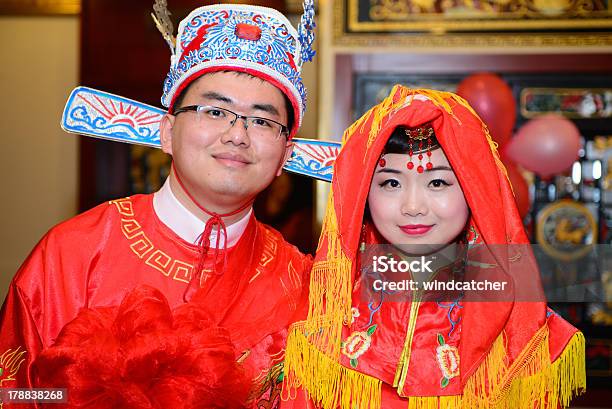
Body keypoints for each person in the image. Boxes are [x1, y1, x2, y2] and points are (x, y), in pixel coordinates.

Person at [0, 2, 315, 405]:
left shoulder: (302, 282)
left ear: (285, 155)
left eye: (263, 120)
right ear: (167, 132)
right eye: (215, 111)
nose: (238, 134)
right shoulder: (73, 254)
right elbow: (18, 394)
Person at [281, 86, 586, 408]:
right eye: (391, 183)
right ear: (363, 196)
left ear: (476, 192)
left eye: (438, 182)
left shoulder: (530, 337)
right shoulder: (315, 322)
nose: (413, 206)